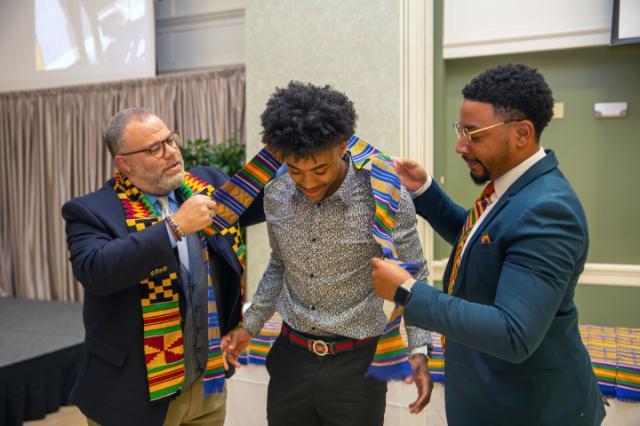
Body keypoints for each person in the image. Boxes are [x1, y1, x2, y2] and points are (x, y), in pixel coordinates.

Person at [371, 63, 606, 425]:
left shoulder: (548, 209)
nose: (460, 145)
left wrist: (406, 292)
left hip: (529, 410)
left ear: (522, 133)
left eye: (474, 134)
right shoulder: (515, 187)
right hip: (494, 396)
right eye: (460, 130)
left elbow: (513, 334)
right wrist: (423, 190)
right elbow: (482, 243)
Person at [222, 81, 434, 425]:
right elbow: (280, 266)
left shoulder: (384, 194)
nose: (307, 182)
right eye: (295, 170)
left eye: (319, 169)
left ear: (341, 147)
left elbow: (416, 274)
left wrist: (419, 349)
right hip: (291, 360)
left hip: (357, 365)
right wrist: (250, 325)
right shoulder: (276, 194)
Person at [62, 108, 265, 426]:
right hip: (133, 397)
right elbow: (96, 271)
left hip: (206, 386)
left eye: (170, 139)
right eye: (154, 148)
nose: (171, 151)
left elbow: (261, 199)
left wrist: (290, 145)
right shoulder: (92, 210)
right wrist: (174, 227)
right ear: (124, 163)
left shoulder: (206, 184)